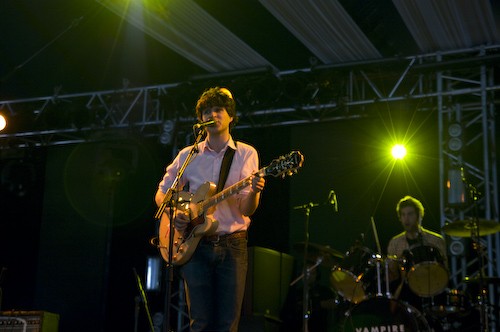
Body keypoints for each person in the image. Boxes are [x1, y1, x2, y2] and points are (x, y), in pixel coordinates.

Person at [155, 86, 265, 332]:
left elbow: (246, 210)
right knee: (199, 323)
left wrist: (255, 190)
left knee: (227, 325)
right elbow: (162, 194)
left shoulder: (246, 154)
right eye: (206, 111)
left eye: (218, 110)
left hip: (233, 245)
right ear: (200, 119)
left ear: (231, 117)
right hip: (196, 246)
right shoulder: (187, 156)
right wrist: (176, 216)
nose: (212, 115)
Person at [386, 196, 449, 314]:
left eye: (410, 214)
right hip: (407, 292)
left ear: (419, 216)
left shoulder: (436, 240)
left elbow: (444, 271)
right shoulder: (395, 243)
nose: (406, 219)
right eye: (403, 215)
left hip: (433, 289)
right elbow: (392, 275)